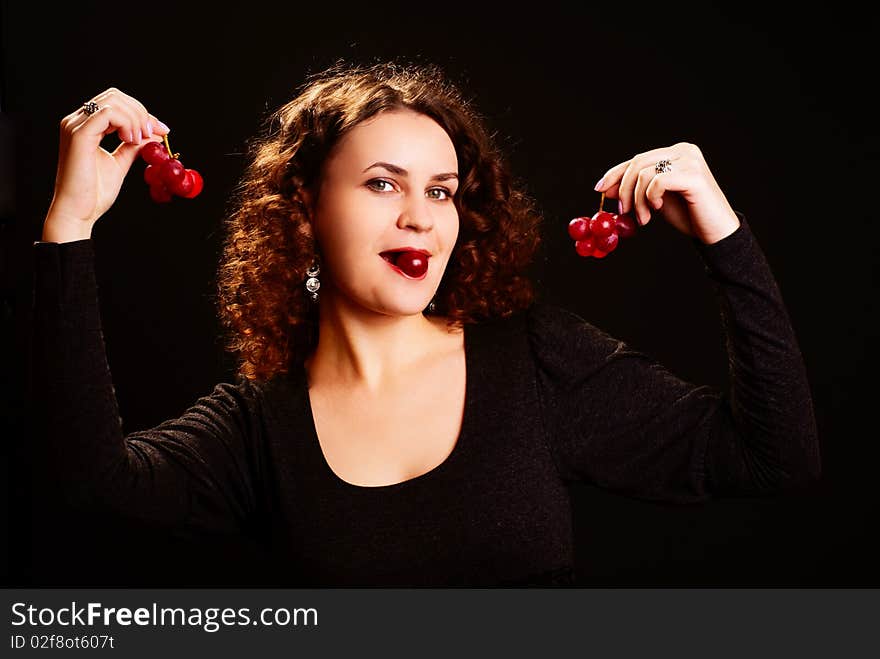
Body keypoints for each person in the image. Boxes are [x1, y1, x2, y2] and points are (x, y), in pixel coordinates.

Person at [31, 60, 821, 587]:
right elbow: (90, 489)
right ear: (304, 210)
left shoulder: (536, 357)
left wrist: (725, 236)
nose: (420, 217)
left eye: (441, 191)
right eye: (382, 184)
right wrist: (68, 225)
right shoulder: (255, 424)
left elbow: (772, 457)